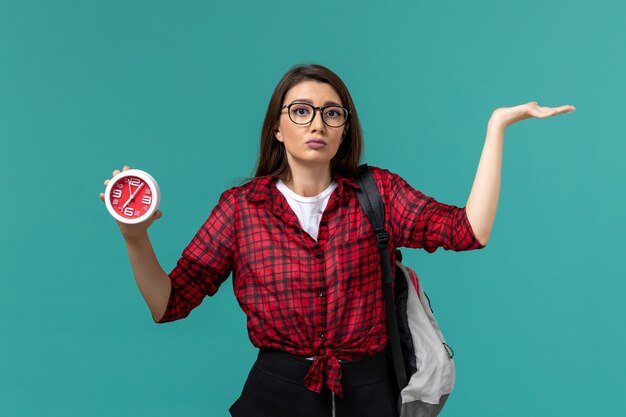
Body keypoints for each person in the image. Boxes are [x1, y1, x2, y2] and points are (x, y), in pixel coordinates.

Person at [99, 64, 575, 417]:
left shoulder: (378, 194)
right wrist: (134, 236)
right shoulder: (242, 207)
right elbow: (168, 303)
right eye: (301, 111)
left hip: (370, 394)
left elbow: (468, 230)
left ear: (345, 129)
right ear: (278, 128)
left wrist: (497, 127)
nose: (317, 123)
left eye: (332, 113)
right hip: (277, 393)